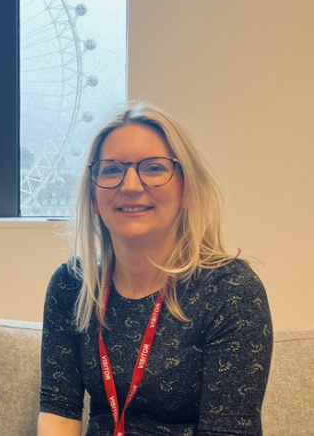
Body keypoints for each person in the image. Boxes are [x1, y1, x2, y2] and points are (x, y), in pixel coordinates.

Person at [38, 103, 272, 436]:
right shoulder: (72, 286)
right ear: (93, 196)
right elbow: (58, 410)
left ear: (186, 189)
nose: (131, 185)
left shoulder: (231, 291)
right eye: (110, 170)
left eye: (153, 168)